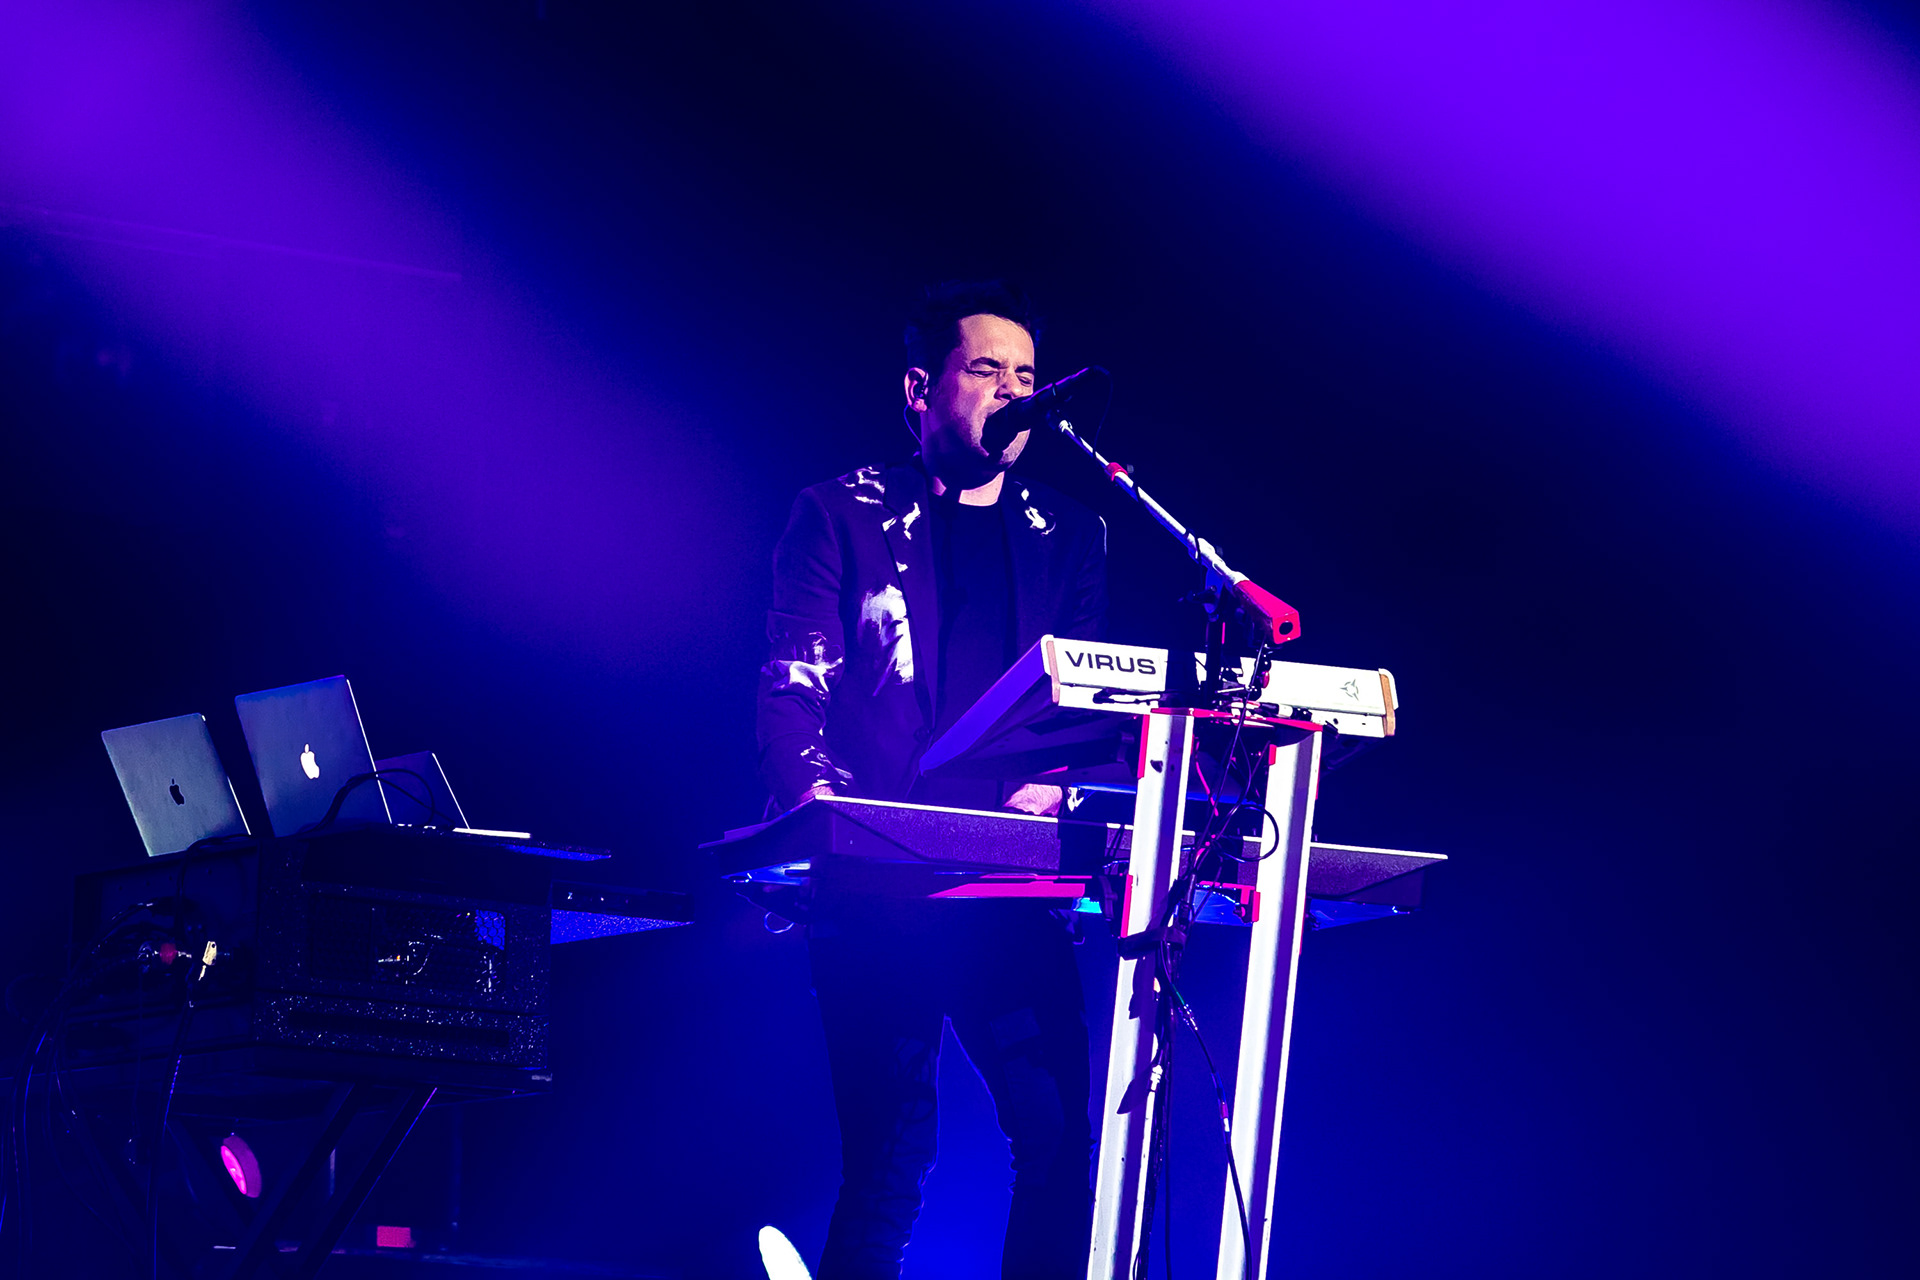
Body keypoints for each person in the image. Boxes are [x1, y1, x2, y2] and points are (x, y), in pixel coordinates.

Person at [756, 280, 1107, 1279]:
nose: (1012, 391)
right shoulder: (840, 512)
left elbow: (1086, 710)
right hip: (877, 884)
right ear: (922, 388)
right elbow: (791, 691)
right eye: (986, 369)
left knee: (1059, 1140)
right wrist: (825, 819)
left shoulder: (1073, 533)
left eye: (1027, 375)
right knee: (889, 1158)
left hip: (1011, 886)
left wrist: (1059, 785)